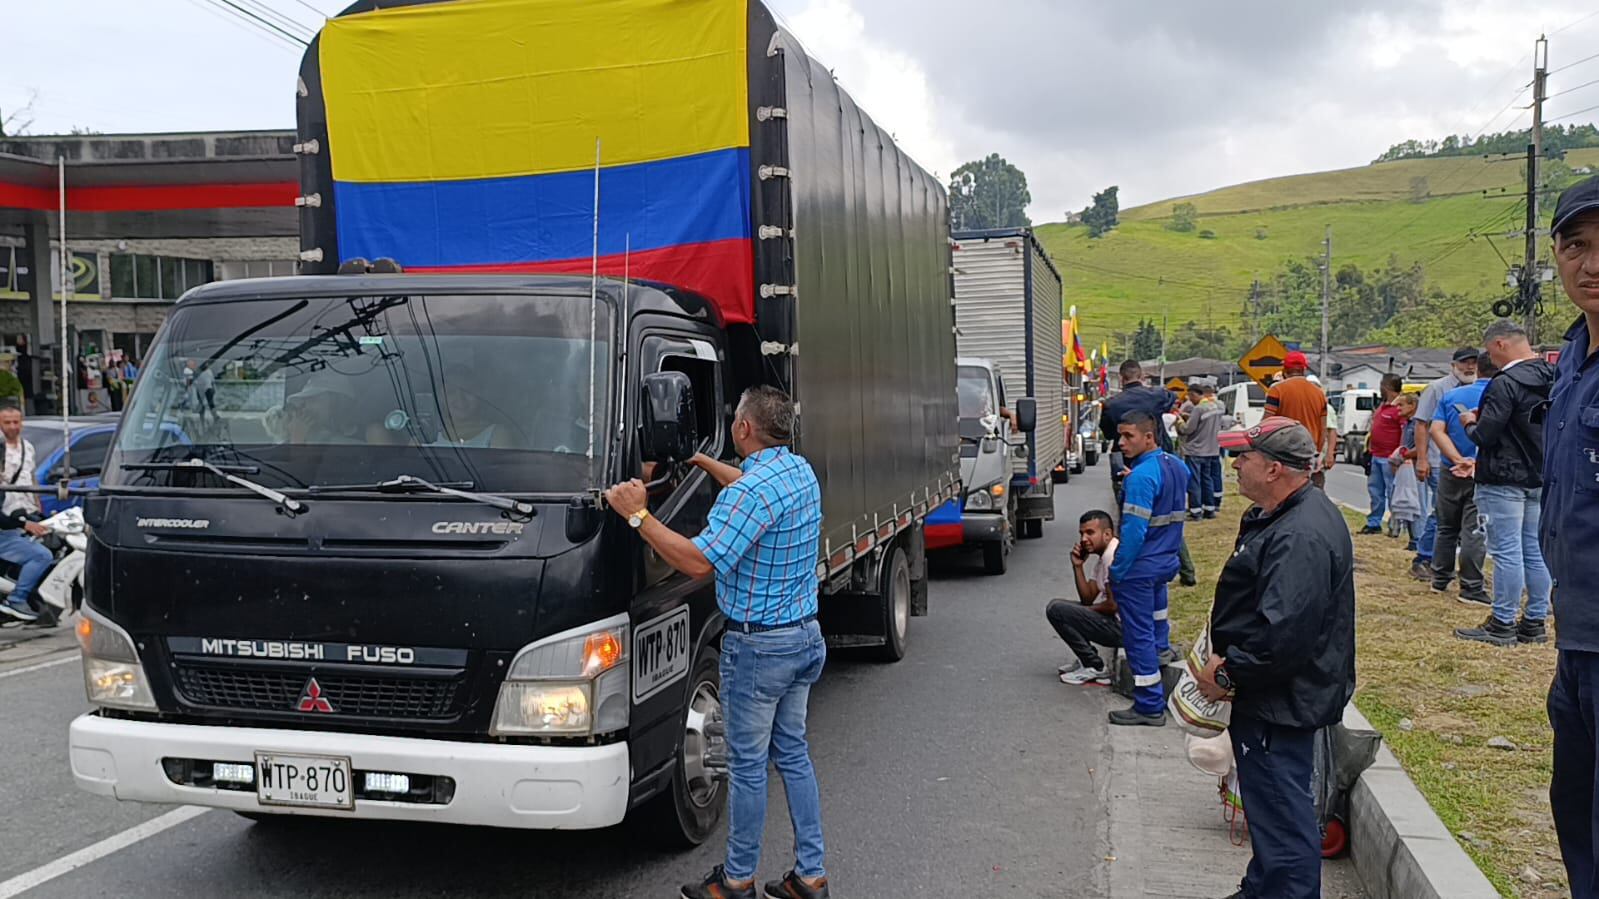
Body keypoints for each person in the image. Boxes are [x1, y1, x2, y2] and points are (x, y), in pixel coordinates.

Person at [604, 386, 829, 899]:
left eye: (735, 419)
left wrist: (638, 515)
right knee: (793, 755)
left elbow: (697, 561)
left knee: (747, 770)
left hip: (759, 650)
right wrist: (702, 460)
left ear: (745, 428)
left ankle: (736, 880)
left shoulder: (749, 495)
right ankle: (810, 875)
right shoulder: (798, 472)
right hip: (803, 639)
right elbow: (749, 485)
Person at [1203, 417, 1356, 899]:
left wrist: (1228, 674)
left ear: (1273, 469)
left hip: (1279, 700)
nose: (1235, 465)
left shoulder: (1300, 534)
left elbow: (1283, 636)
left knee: (1282, 819)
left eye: (1243, 457)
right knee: (1271, 814)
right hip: (1276, 696)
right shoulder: (1284, 515)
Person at [1542, 175, 1599, 898]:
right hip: (1577, 638)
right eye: (1576, 244)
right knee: (1575, 816)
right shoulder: (1570, 364)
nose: (1591, 264)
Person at [1453, 319, 1555, 647]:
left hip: (1502, 477)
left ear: (1500, 345)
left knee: (1506, 551)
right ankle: (1535, 620)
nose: (1489, 360)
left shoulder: (1504, 382)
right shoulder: (1556, 377)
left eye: (1489, 353)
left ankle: (1503, 621)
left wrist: (1470, 423)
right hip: (1540, 475)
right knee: (1535, 551)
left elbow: (1486, 434)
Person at [1107, 410, 1188, 727]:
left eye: (1129, 436)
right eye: (1120, 435)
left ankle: (1149, 705)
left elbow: (1134, 532)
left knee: (1137, 635)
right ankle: (1162, 657)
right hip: (1165, 562)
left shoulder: (1140, 478)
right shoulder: (1176, 466)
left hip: (1139, 568)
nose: (1121, 442)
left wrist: (1117, 570)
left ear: (1149, 436)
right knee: (1156, 623)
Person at [1409, 347, 1480, 580]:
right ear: (1453, 365)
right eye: (1464, 363)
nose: (1469, 367)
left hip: (1474, 465)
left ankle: (1456, 568)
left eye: (1473, 362)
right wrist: (1421, 459)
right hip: (1440, 461)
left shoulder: (1482, 388)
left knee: (1467, 520)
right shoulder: (1438, 389)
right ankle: (1424, 557)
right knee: (1442, 515)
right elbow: (1422, 424)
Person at [1427, 353, 1491, 606]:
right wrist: (1472, 462)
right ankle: (1472, 587)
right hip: (1482, 471)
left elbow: (1435, 430)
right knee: (1474, 530)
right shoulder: (1501, 395)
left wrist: (1456, 459)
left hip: (1450, 469)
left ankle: (1440, 578)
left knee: (1446, 526)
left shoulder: (1452, 396)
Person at [1047, 510, 1121, 685]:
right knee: (1062, 609)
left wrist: (1083, 612)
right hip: (1115, 622)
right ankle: (1087, 660)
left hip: (1125, 629)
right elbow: (1088, 597)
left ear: (1107, 534)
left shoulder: (1112, 556)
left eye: (1090, 533)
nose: (1083, 539)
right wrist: (1078, 566)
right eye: (1081, 533)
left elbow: (1113, 605)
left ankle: (1094, 666)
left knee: (1056, 609)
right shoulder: (1103, 557)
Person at [0, 405, 56, 626]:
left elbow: (32, 479)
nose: (13, 427)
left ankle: (33, 602)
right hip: (7, 518)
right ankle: (17, 599)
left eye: (16, 422)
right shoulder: (0, 449)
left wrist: (37, 506)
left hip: (26, 513)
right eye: (7, 422)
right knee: (39, 555)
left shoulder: (28, 448)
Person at [1263, 351, 1337, 488]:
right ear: (1304, 369)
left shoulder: (1277, 390)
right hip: (1309, 453)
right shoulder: (1319, 395)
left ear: (1284, 370)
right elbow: (1323, 429)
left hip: (1283, 453)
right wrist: (1318, 453)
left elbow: (1266, 425)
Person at [1359, 374, 1407, 534]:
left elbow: (1404, 431)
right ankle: (1374, 522)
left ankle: (1395, 524)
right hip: (1376, 455)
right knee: (1375, 491)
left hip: (1390, 458)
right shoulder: (1382, 406)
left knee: (1392, 491)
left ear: (1387, 387)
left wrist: (1400, 453)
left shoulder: (1399, 408)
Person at [1179, 381, 1224, 519]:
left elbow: (1188, 429)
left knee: (1194, 481)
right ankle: (1209, 509)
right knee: (1207, 479)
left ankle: (1195, 511)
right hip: (1211, 450)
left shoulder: (1198, 409)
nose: (1189, 400)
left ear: (1194, 395)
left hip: (1196, 450)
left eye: (1190, 396)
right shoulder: (1215, 406)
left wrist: (1179, 422)